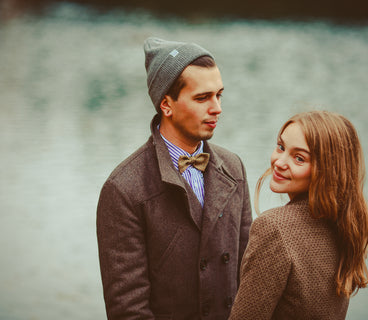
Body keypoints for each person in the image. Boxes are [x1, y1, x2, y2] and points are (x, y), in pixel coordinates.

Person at [96, 37, 253, 320]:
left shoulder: (234, 167)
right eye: (202, 98)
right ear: (166, 105)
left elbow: (248, 273)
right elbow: (128, 309)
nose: (217, 107)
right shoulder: (122, 189)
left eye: (219, 94)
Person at [229, 110, 368, 320]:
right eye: (281, 147)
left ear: (326, 170)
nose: (279, 162)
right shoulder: (347, 224)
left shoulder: (274, 228)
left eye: (299, 158)